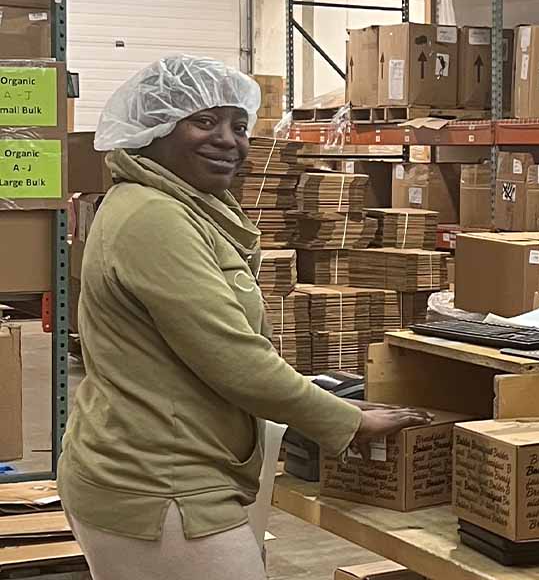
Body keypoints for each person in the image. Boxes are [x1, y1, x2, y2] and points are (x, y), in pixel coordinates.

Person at [57, 55, 430, 580]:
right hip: (161, 485)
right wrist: (344, 420)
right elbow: (232, 357)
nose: (229, 140)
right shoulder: (154, 217)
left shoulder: (187, 207)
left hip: (177, 469)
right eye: (204, 121)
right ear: (155, 128)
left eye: (238, 126)